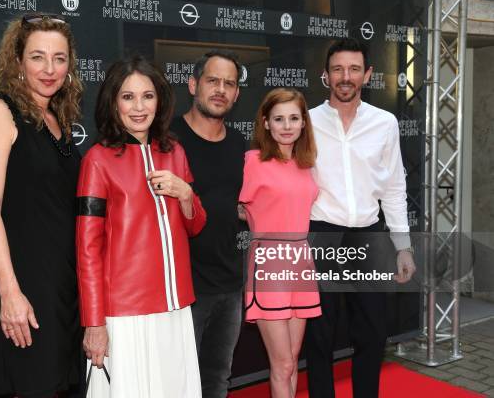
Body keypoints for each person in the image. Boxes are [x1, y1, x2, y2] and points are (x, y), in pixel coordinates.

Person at [76, 56, 206, 398]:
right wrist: (95, 322)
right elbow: (88, 250)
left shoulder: (174, 151)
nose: (138, 107)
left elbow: (195, 226)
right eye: (128, 96)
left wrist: (186, 194)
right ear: (113, 102)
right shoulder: (98, 160)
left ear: (159, 100)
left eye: (147, 96)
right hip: (125, 313)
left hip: (175, 306)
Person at [0, 13, 83, 398]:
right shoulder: (0, 111)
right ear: (17, 60)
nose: (49, 69)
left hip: (68, 287)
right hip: (27, 287)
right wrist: (10, 293)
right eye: (37, 57)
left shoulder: (59, 119)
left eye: (59, 58)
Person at [305, 38, 416, 398]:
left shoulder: (384, 123)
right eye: (337, 69)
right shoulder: (305, 122)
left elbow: (395, 188)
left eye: (354, 69)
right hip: (320, 236)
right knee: (319, 336)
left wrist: (403, 246)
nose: (346, 76)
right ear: (325, 76)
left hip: (369, 236)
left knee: (371, 334)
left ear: (367, 74)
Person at [170, 50, 245, 398]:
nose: (221, 90)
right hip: (181, 288)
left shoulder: (238, 144)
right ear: (193, 84)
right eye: (213, 81)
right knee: (177, 382)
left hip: (229, 285)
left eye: (229, 83)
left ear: (237, 94)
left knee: (217, 379)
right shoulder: (166, 140)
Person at [239, 88, 320, 398]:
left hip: (301, 264)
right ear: (266, 123)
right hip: (269, 266)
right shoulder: (253, 161)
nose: (287, 126)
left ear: (303, 124)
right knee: (282, 363)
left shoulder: (307, 164)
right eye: (279, 119)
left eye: (294, 118)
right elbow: (236, 206)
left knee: (292, 361)